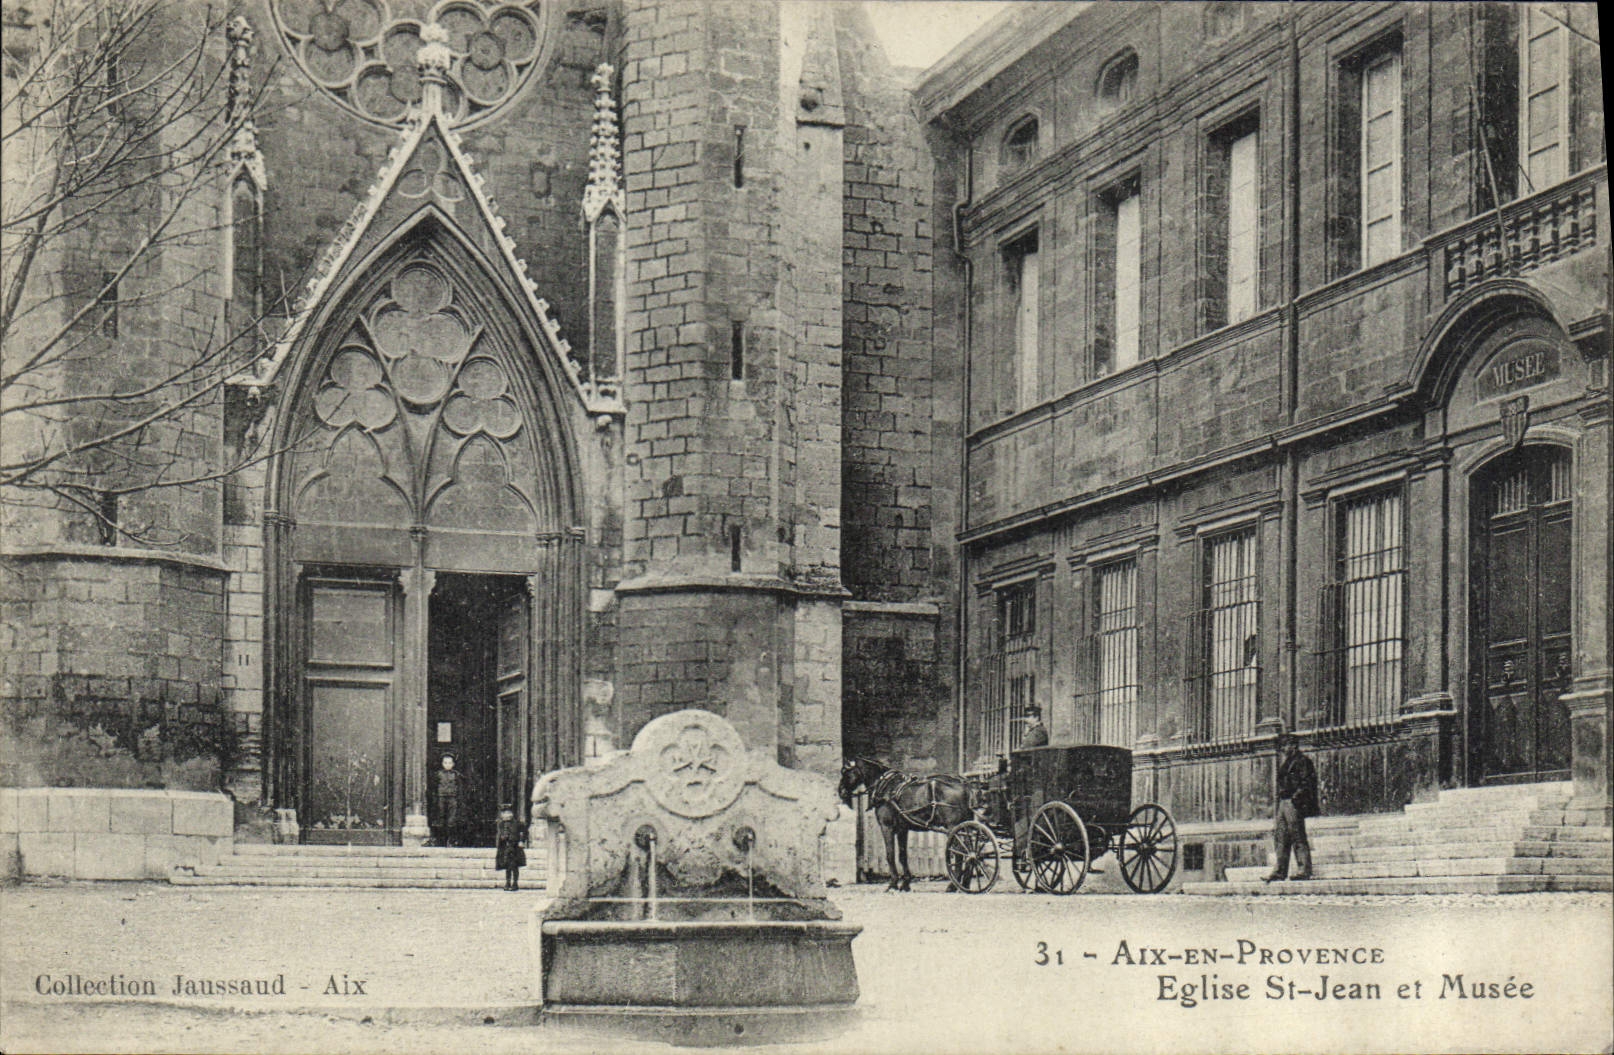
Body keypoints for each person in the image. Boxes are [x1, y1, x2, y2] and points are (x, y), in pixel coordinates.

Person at [1265, 732, 1319, 882]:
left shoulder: (1303, 761)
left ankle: (1304, 870)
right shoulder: (1287, 762)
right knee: (1281, 837)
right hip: (1283, 802)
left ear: (1293, 746)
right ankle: (1279, 871)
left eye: (1286, 745)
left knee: (1297, 836)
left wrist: (1296, 799)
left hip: (1293, 802)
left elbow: (1307, 783)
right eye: (1282, 745)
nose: (1283, 748)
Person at [495, 804, 526, 891]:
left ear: (512, 814)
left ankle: (515, 883)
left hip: (515, 846)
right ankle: (508, 882)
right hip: (505, 846)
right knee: (507, 866)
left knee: (514, 866)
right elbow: (500, 833)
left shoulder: (518, 823)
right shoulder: (501, 824)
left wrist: (521, 841)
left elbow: (523, 833)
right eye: (504, 813)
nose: (506, 815)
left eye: (508, 812)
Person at [433, 754, 462, 848]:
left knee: (451, 819)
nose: (447, 765)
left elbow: (460, 786)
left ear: (453, 764)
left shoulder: (456, 774)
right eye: (445, 763)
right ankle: (441, 840)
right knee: (441, 818)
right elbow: (434, 786)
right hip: (441, 797)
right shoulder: (438, 774)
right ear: (442, 764)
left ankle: (451, 840)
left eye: (450, 763)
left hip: (452, 798)